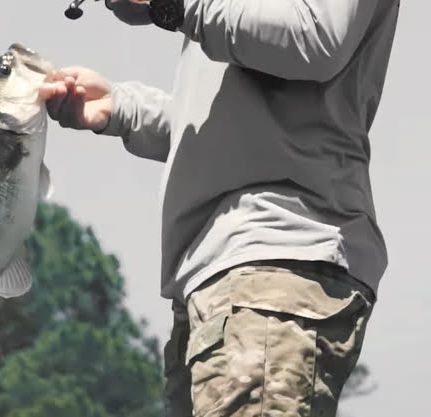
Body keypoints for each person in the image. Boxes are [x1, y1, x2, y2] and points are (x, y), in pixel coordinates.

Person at [39, 0, 401, 415]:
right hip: (232, 281)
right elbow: (243, 124)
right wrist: (122, 108)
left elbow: (315, 39)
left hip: (274, 268)